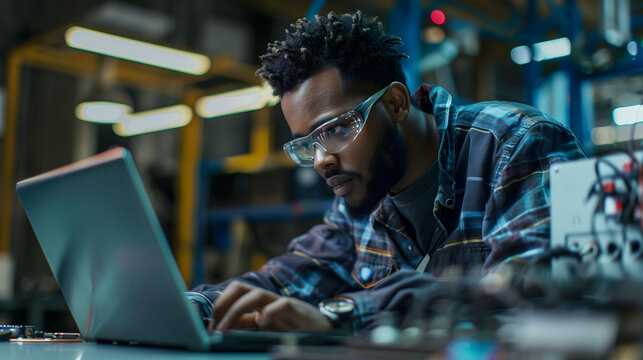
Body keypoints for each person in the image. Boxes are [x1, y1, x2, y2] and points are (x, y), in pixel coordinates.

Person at [187, 10, 585, 333]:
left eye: (338, 129)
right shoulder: (365, 193)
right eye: (308, 144)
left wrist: (339, 314)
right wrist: (194, 307)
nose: (323, 159)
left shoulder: (515, 143)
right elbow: (287, 279)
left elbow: (533, 295)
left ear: (396, 103)